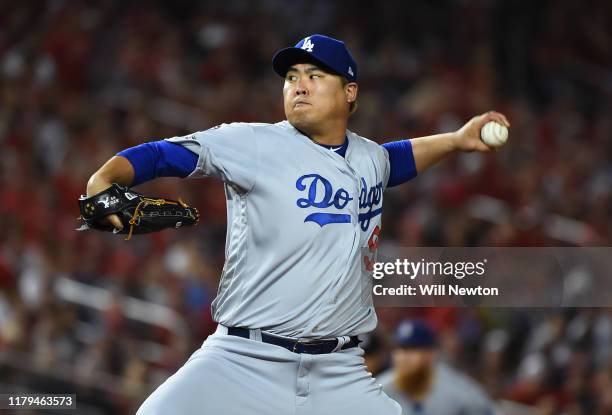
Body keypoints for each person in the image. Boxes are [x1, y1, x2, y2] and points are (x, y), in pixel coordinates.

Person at [84, 34, 509, 414]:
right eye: (291, 76)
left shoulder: (368, 158)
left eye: (315, 75)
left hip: (339, 372)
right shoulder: (253, 143)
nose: (298, 84)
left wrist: (455, 140)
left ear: (350, 92)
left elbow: (395, 160)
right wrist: (103, 180)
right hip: (242, 359)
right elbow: (164, 154)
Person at [378, 320, 495, 415]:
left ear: (431, 354)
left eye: (412, 349)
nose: (403, 356)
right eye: (399, 349)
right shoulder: (380, 389)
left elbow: (486, 409)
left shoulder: (458, 389)